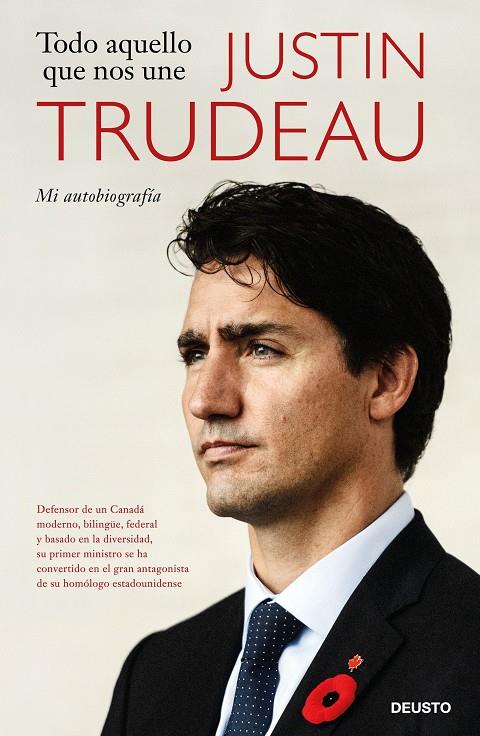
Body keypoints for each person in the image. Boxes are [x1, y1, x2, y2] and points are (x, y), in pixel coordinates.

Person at [101, 182, 480, 736]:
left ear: (385, 380)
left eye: (261, 349)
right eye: (196, 353)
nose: (206, 400)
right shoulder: (156, 675)